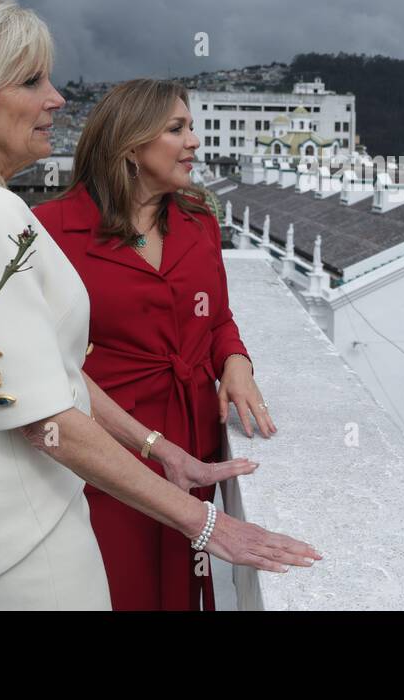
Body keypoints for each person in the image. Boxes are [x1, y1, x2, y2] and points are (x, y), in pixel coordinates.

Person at [0, 0, 319, 610]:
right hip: (20, 533)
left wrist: (162, 452)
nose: (56, 98)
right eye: (32, 81)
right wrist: (208, 524)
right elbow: (42, 419)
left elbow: (46, 374)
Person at [35, 79, 274, 610]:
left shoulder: (200, 220)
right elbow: (47, 360)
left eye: (191, 126)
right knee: (122, 592)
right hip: (107, 455)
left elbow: (217, 320)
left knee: (185, 592)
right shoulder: (50, 231)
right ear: (130, 145)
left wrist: (236, 361)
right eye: (176, 129)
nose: (194, 141)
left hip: (194, 443)